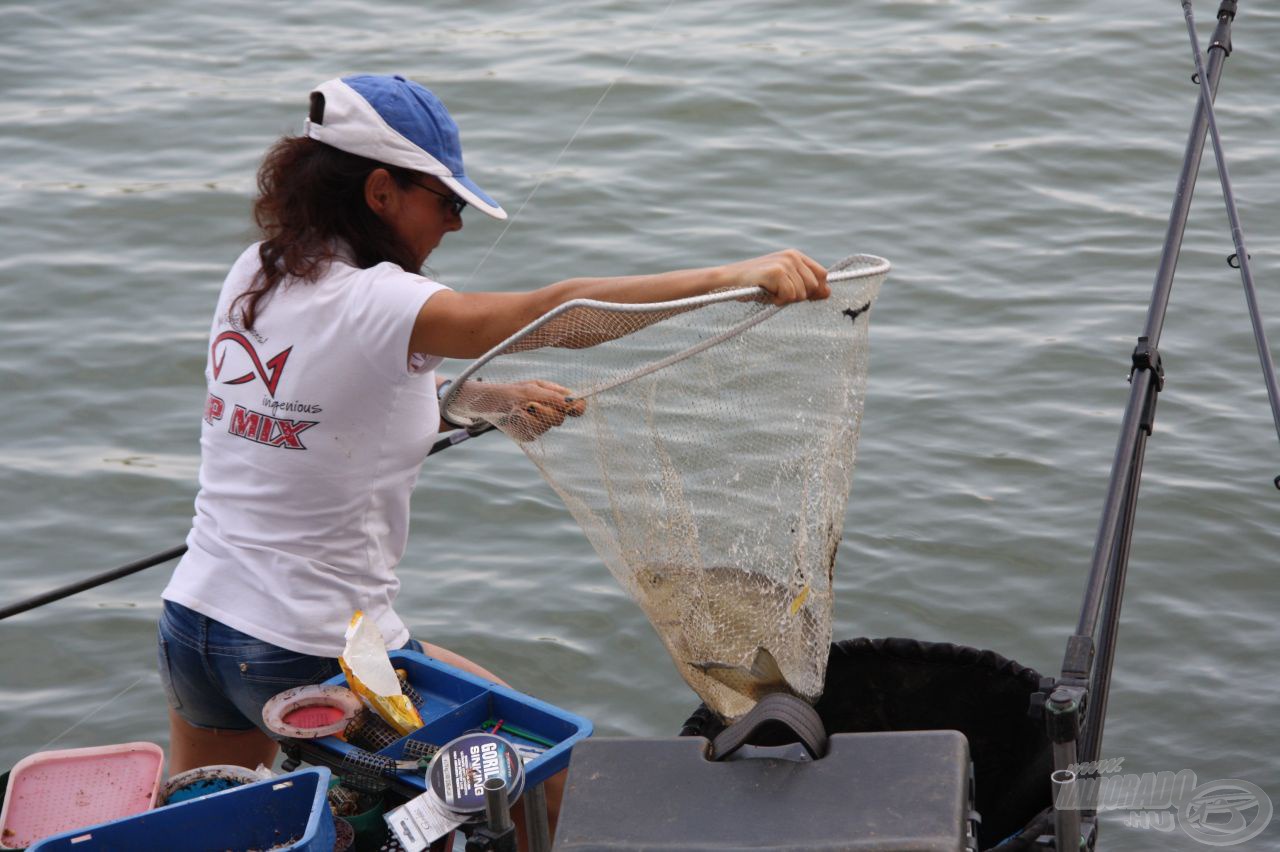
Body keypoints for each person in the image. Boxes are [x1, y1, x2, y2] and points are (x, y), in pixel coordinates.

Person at [157, 72, 828, 832]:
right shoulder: (383, 302)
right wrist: (733, 276)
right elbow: (555, 315)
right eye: (445, 202)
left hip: (197, 625)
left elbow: (335, 394)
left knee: (202, 830)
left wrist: (486, 398)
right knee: (547, 777)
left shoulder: (259, 271)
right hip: (310, 651)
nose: (455, 225)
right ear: (381, 191)